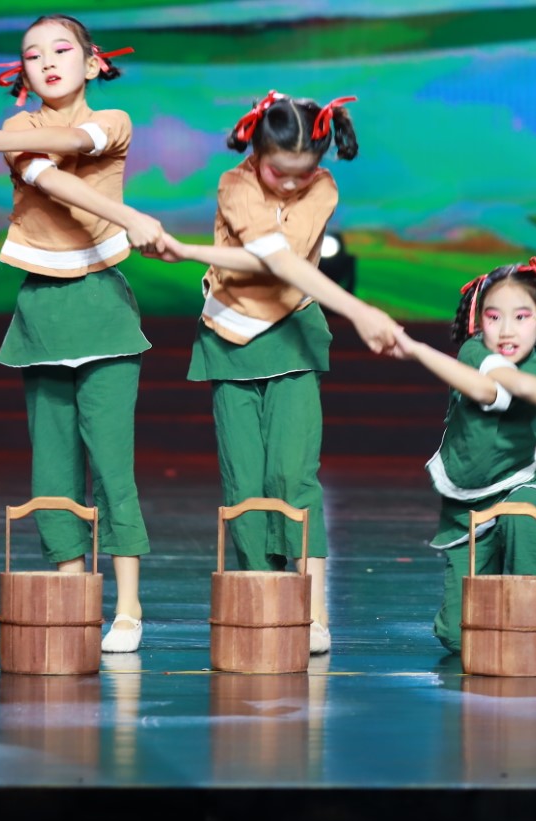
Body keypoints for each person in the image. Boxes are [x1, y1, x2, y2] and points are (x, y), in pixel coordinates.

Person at [145, 91, 399, 655]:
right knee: (244, 480)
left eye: (301, 174)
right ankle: (260, 595)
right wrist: (192, 254)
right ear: (255, 152)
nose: (288, 184)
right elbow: (263, 255)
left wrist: (186, 251)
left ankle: (313, 610)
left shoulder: (323, 189)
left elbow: (280, 262)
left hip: (292, 335)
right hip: (229, 336)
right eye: (277, 171)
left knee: (293, 476)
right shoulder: (234, 184)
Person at [0, 15, 163, 652]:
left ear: (93, 63)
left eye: (62, 49)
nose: (47, 61)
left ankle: (128, 606)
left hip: (103, 304)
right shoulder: (18, 130)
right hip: (41, 306)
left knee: (113, 465)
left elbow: (80, 141)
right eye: (32, 54)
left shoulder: (114, 119)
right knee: (51, 466)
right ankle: (73, 597)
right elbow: (50, 178)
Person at [420, 260, 536, 654]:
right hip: (467, 499)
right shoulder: (472, 350)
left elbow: (507, 388)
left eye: (521, 317)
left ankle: (529, 620)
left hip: (519, 483)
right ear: (479, 321)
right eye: (494, 317)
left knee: (523, 516)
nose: (507, 330)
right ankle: (488, 594)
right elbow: (487, 386)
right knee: (456, 635)